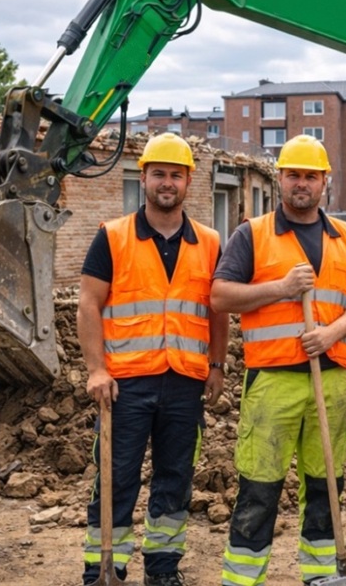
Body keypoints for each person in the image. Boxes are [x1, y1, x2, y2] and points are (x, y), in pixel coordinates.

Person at [213, 134, 346, 586]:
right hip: (273, 381)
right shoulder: (253, 233)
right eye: (293, 175)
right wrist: (280, 289)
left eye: (310, 175)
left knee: (326, 487)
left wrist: (333, 333)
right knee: (260, 488)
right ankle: (243, 579)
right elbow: (220, 295)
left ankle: (322, 575)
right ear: (279, 178)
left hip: (331, 378)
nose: (301, 183)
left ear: (325, 180)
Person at [78, 132, 229, 586]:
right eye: (159, 173)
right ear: (142, 177)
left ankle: (162, 569)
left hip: (184, 381)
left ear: (188, 182)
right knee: (116, 477)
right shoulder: (113, 236)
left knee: (175, 478)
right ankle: (103, 567)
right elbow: (89, 304)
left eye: (176, 175)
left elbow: (216, 308)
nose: (167, 182)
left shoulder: (209, 241)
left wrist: (217, 365)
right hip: (125, 384)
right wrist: (96, 369)